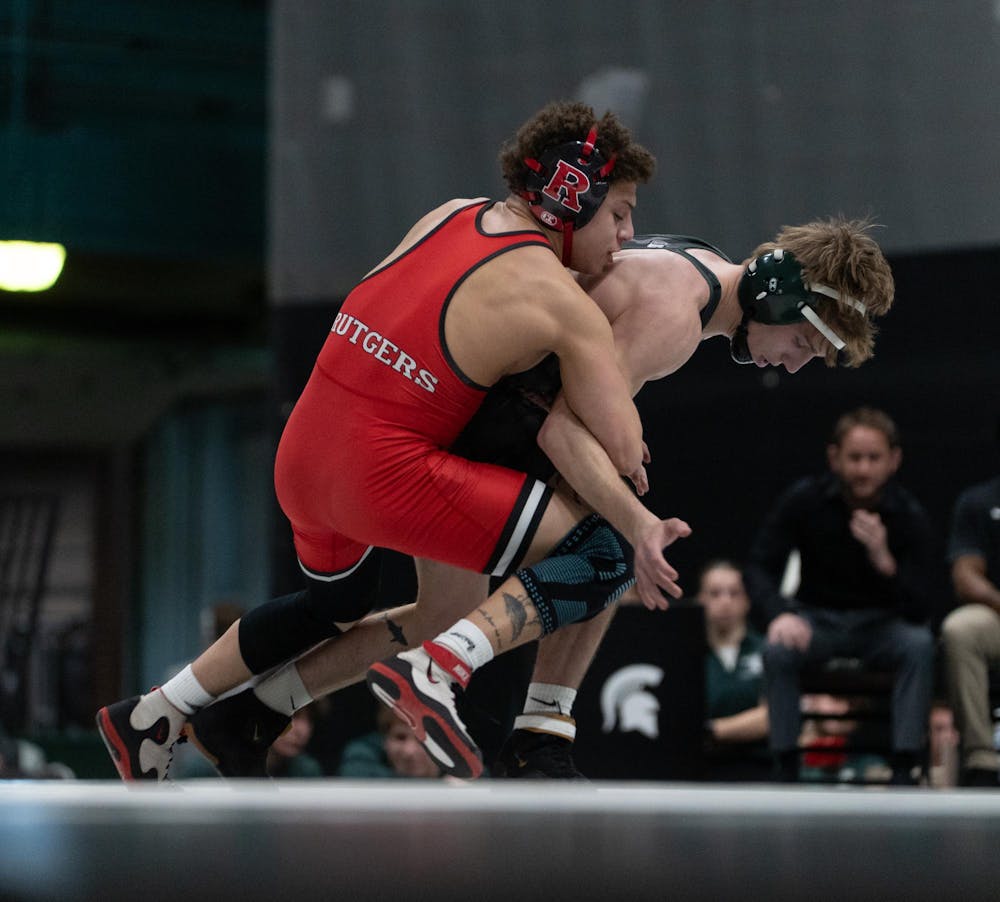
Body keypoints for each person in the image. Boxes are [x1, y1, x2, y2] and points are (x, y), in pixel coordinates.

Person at [154, 216, 896, 781]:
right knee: (610, 548)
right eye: (807, 347)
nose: (796, 368)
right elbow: (563, 433)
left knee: (458, 603)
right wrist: (636, 522)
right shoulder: (676, 318)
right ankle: (468, 687)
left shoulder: (697, 265)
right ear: (781, 296)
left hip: (471, 412)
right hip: (470, 429)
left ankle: (261, 709)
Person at [96, 99, 674, 782]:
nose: (630, 236)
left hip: (302, 456)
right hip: (386, 475)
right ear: (571, 199)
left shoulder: (448, 213)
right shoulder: (562, 304)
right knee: (605, 553)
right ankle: (439, 670)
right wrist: (653, 322)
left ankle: (158, 713)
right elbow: (624, 443)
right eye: (620, 214)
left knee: (335, 607)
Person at [744, 406, 936, 785]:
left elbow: (924, 606)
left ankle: (904, 764)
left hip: (881, 625)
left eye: (873, 458)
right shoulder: (805, 500)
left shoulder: (907, 514)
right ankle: (785, 763)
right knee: (777, 650)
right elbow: (759, 566)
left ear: (893, 461)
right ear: (835, 457)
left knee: (919, 645)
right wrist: (780, 613)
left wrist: (885, 560)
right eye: (854, 458)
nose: (863, 469)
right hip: (817, 621)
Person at [940, 421, 1000, 787]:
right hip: (998, 615)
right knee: (961, 629)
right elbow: (966, 575)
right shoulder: (980, 501)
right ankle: (982, 761)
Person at [696, 560, 771, 782]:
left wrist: (711, 731)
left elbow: (772, 716)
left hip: (760, 770)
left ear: (747, 600)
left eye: (734, 593)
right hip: (702, 774)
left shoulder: (767, 650)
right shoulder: (686, 654)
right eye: (715, 593)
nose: (725, 602)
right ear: (701, 599)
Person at [337, 703, 442, 779]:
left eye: (422, 740)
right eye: (400, 738)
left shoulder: (457, 773)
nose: (409, 751)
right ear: (384, 740)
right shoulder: (361, 757)